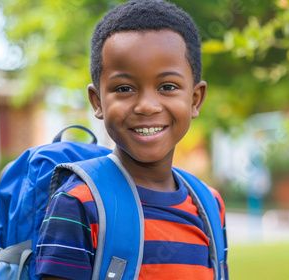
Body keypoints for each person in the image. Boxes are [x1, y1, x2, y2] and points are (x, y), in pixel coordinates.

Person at [35, 0, 228, 279]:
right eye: (124, 88)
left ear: (195, 99)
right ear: (97, 101)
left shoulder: (210, 205)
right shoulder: (78, 203)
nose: (147, 106)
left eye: (167, 87)